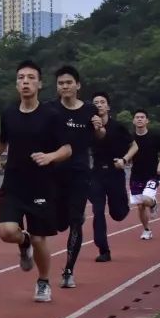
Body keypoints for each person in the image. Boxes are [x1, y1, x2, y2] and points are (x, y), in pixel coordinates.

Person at [0, 61, 71, 303]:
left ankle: (43, 281)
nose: (25, 82)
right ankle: (24, 242)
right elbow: (2, 141)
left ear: (40, 84)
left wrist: (50, 156)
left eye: (31, 78)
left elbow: (67, 149)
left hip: (42, 185)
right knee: (6, 231)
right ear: (16, 84)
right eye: (21, 77)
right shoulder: (9, 114)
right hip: (14, 183)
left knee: (40, 238)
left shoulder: (52, 116)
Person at [50, 66, 104, 289]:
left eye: (68, 82)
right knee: (58, 223)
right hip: (54, 172)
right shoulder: (50, 109)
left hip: (79, 172)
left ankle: (68, 271)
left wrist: (99, 128)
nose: (65, 86)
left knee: (75, 222)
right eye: (61, 83)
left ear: (78, 85)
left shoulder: (90, 109)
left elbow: (100, 135)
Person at [89, 92, 136, 262]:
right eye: (96, 102)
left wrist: (124, 160)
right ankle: (104, 250)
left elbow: (134, 146)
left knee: (118, 213)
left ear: (108, 106)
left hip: (115, 172)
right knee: (98, 210)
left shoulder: (118, 127)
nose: (99, 105)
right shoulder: (88, 127)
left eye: (102, 102)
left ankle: (122, 207)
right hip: (97, 174)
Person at [128, 110, 160, 239]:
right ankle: (146, 230)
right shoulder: (130, 138)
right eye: (137, 117)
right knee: (140, 206)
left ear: (147, 120)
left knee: (146, 200)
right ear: (133, 121)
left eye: (142, 117)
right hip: (136, 175)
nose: (139, 119)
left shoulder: (154, 136)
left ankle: (153, 204)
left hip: (152, 174)